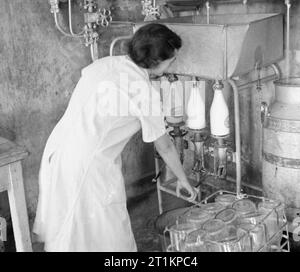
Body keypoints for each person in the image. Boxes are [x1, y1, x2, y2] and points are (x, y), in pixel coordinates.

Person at [33, 23, 197, 252]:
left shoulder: (104, 65)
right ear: (156, 61)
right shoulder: (141, 90)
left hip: (60, 150)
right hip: (89, 166)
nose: (173, 64)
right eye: (171, 60)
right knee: (105, 233)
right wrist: (182, 179)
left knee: (72, 228)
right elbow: (165, 146)